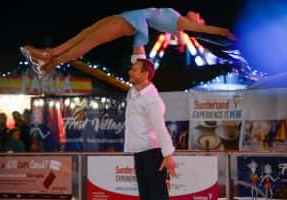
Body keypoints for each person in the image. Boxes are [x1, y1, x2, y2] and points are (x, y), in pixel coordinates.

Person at [20, 8, 236, 76]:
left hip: (130, 23)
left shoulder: (182, 23)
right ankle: (48, 55)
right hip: (127, 17)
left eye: (198, 17)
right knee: (83, 35)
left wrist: (224, 32)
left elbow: (203, 28)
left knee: (87, 43)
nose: (197, 15)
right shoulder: (177, 16)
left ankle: (50, 63)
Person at [125, 58, 176, 200]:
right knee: (145, 195)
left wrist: (168, 155)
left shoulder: (152, 99)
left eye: (134, 70)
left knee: (157, 195)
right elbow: (138, 55)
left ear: (145, 74)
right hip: (139, 151)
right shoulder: (134, 92)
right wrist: (139, 38)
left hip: (152, 152)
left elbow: (160, 128)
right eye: (131, 69)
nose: (130, 72)